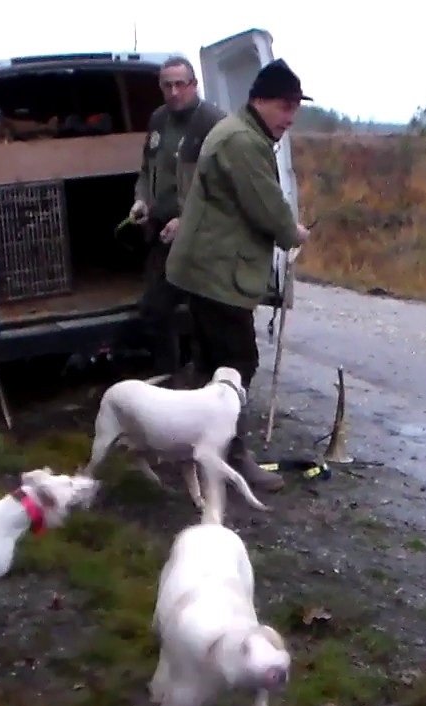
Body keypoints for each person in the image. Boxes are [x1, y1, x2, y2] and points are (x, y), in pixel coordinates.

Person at [164, 59, 313, 492]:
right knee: (237, 365)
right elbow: (266, 205)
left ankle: (189, 445)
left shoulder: (237, 131)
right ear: (259, 101)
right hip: (216, 274)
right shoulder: (243, 141)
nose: (290, 118)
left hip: (206, 269)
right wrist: (293, 232)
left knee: (211, 364)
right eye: (284, 107)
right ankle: (231, 454)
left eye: (294, 108)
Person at [129, 56, 226, 388]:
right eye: (166, 85)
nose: (173, 92)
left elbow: (223, 187)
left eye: (180, 84)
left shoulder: (213, 122)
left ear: (193, 85)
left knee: (205, 314)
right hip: (162, 233)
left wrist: (186, 219)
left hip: (202, 237)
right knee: (154, 310)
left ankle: (209, 384)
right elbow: (146, 169)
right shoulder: (158, 119)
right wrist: (142, 199)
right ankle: (169, 382)